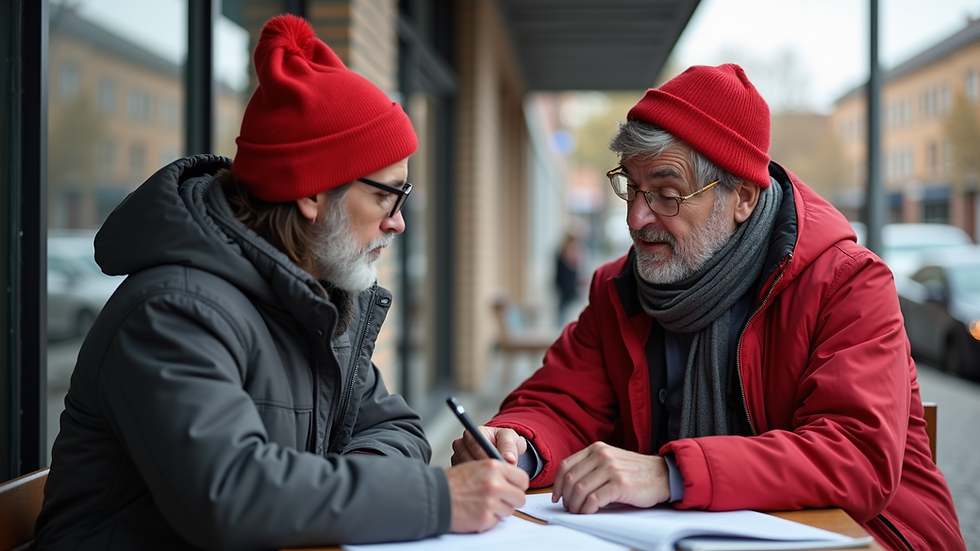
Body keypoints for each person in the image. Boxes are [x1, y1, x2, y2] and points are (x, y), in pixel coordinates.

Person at [33, 15, 527, 551]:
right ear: (312, 192)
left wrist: (352, 483)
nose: (398, 222)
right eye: (387, 194)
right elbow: (232, 496)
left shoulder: (320, 300)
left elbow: (399, 428)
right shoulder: (172, 310)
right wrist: (435, 499)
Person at [452, 64, 965, 551]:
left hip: (868, 537)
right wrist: (519, 443)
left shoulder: (847, 283)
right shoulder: (619, 289)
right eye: (631, 187)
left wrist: (668, 473)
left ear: (741, 197)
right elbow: (561, 403)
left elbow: (855, 458)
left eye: (666, 194)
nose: (636, 218)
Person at [554, 231, 582, 326]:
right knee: (565, 311)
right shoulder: (567, 252)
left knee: (564, 310)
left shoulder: (562, 251)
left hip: (564, 285)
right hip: (566, 286)